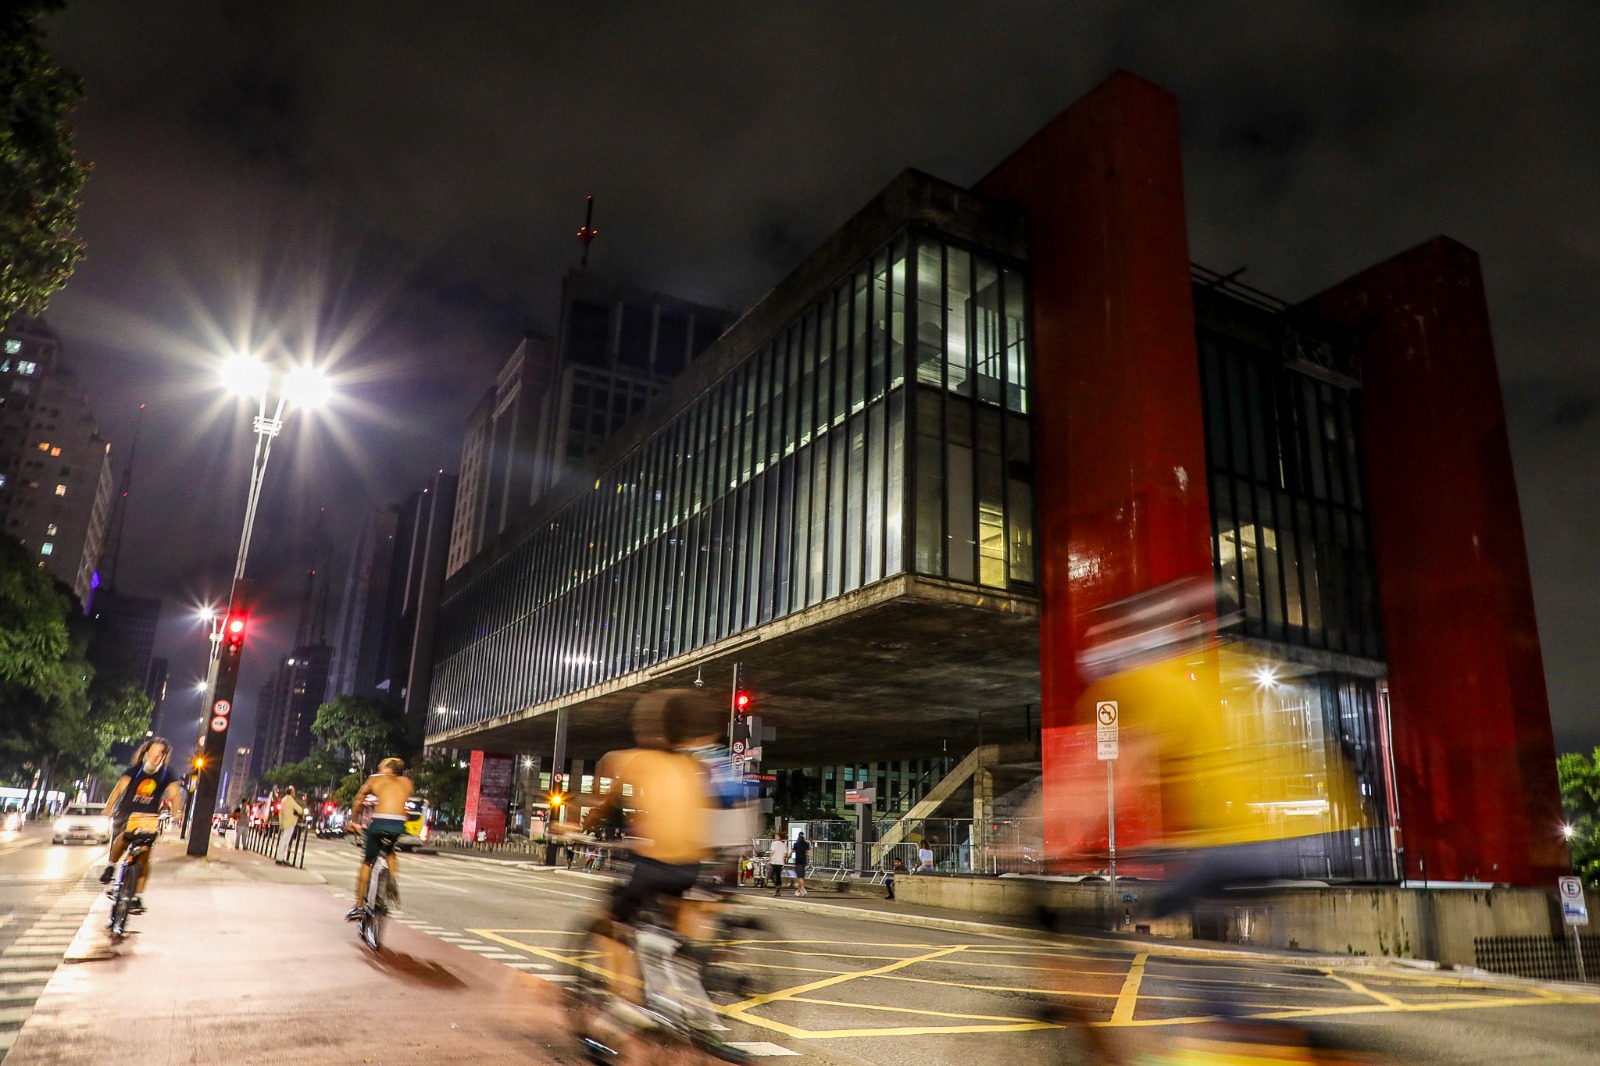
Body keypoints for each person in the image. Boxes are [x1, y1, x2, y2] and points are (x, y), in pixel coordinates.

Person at [569, 689, 747, 1062]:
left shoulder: (634, 760)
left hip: (650, 868)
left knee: (612, 926)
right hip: (693, 869)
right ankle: (693, 1017)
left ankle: (624, 1005)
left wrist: (589, 815)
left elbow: (607, 782)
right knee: (679, 943)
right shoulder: (699, 768)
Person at [98, 738, 186, 914]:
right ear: (145, 753)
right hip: (126, 815)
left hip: (149, 818)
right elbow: (118, 790)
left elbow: (175, 795)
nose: (155, 757)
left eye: (160, 754)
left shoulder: (167, 773)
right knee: (123, 838)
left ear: (165, 757)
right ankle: (111, 866)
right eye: (152, 753)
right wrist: (109, 807)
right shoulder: (135, 771)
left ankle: (136, 897)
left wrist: (177, 812)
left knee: (145, 855)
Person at [344, 758, 414, 920]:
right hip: (398, 824)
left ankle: (359, 905)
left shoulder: (376, 779)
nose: (379, 769)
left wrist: (354, 821)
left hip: (380, 821)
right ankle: (392, 879)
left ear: (389, 769)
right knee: (390, 851)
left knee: (367, 861)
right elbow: (403, 805)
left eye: (381, 767)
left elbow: (359, 800)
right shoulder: (407, 782)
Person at [275, 785, 304, 864]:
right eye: (294, 791)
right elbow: (299, 809)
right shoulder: (290, 800)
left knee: (283, 841)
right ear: (291, 792)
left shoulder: (283, 799)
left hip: (284, 823)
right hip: (290, 822)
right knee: (284, 841)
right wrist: (301, 811)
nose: (294, 793)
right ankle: (279, 858)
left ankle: (280, 857)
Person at [790, 831, 811, 897]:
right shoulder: (806, 844)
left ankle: (802, 889)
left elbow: (791, 851)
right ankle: (799, 891)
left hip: (798, 861)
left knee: (799, 877)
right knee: (802, 876)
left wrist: (787, 858)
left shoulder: (796, 844)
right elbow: (808, 853)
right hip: (803, 861)